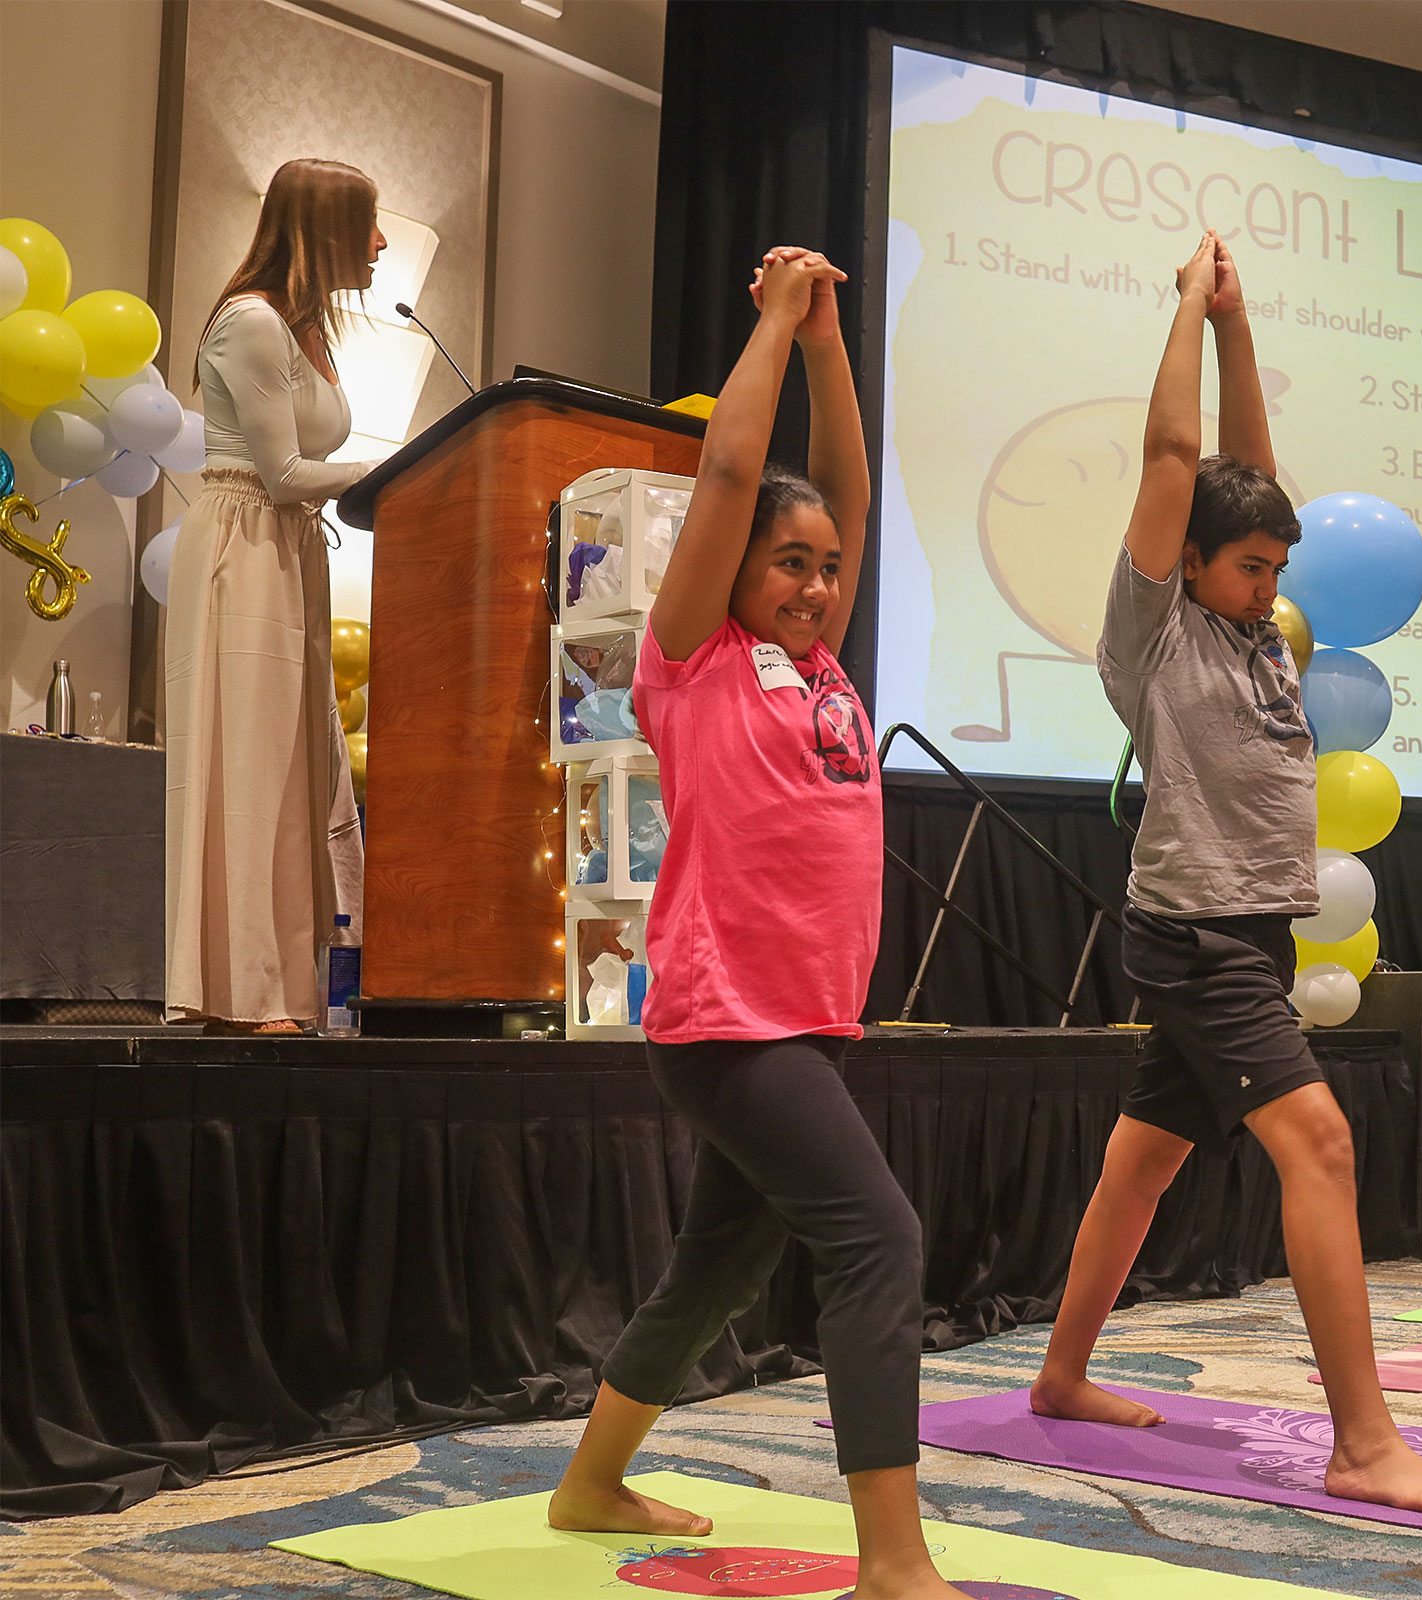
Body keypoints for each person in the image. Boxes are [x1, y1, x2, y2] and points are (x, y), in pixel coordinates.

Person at [1027, 232, 1422, 1516]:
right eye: (1249, 567)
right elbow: (1179, 465)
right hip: (1199, 938)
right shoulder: (1157, 631)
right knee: (1321, 1144)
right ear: (1184, 564)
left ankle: (1062, 1377)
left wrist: (1245, 328)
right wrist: (1184, 304)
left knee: (1144, 1160)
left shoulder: (1254, 628)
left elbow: (1248, 476)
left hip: (1252, 935)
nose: (1270, 587)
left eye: (1279, 571)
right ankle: (1362, 1440)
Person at [545, 247, 967, 1600]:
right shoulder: (691, 659)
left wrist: (835, 343)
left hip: (805, 1017)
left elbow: (842, 486)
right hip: (730, 1020)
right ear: (727, 575)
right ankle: (892, 1560)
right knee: (877, 1241)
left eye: (830, 569)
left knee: (718, 1267)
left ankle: (590, 1480)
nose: (815, 582)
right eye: (788, 566)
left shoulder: (823, 660)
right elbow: (735, 480)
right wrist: (777, 328)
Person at [166, 158, 386, 1032]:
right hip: (243, 543)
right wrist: (394, 471)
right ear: (323, 229)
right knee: (250, 766)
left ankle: (287, 987)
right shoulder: (250, 323)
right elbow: (285, 472)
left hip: (289, 550)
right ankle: (245, 991)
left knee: (296, 769)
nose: (378, 246)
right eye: (368, 227)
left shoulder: (305, 331)